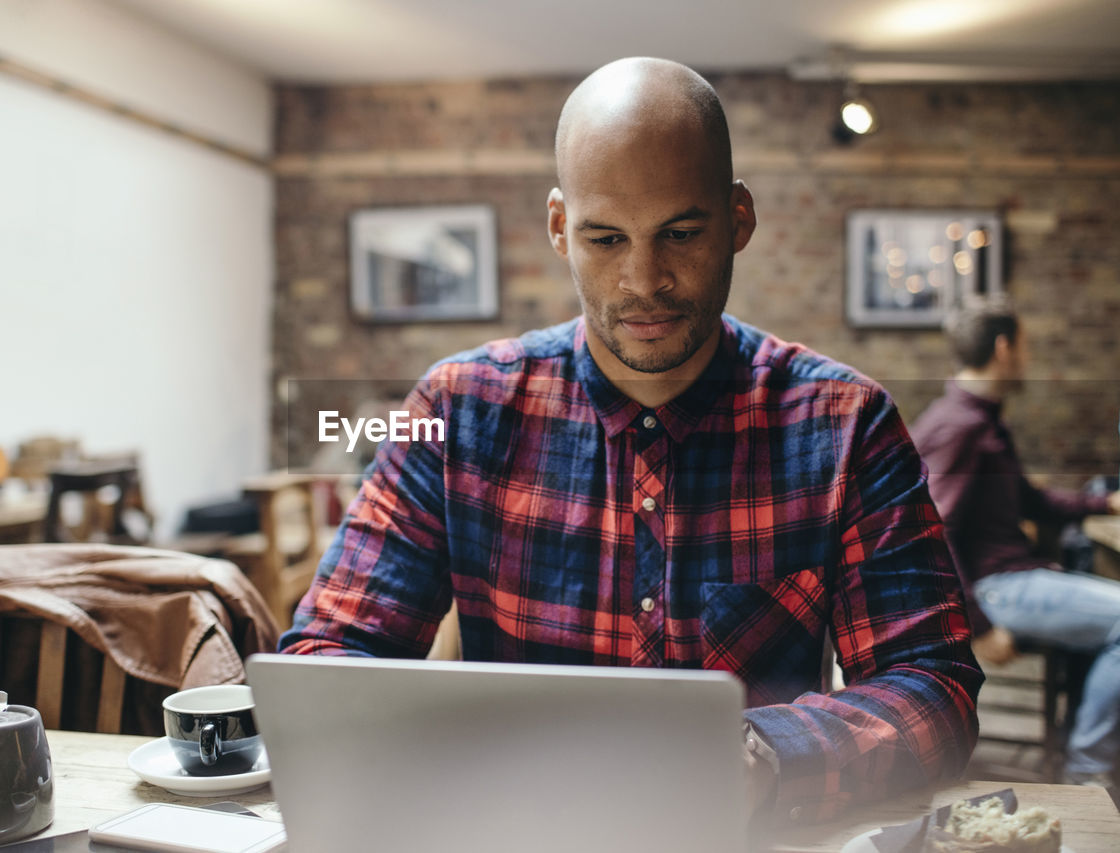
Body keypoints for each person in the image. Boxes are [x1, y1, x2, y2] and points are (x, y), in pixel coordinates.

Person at [281, 57, 981, 825]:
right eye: (606, 238)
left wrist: (768, 754)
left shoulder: (846, 425)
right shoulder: (457, 411)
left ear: (738, 220)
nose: (644, 280)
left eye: (680, 233)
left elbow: (933, 681)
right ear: (559, 229)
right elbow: (327, 662)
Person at [910, 304, 1120, 791]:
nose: (1027, 357)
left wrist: (1104, 502)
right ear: (1003, 348)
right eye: (1024, 346)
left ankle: (1079, 746)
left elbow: (1030, 499)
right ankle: (1088, 771)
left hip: (1014, 577)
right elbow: (930, 531)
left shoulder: (980, 421)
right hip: (998, 588)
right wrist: (975, 626)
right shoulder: (960, 426)